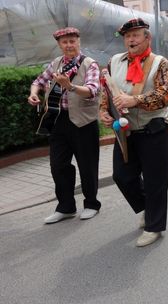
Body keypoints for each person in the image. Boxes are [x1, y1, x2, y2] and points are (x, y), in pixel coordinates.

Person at [99, 18, 168, 247]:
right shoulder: (114, 61)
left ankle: (154, 226)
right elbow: (107, 91)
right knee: (122, 176)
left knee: (155, 182)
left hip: (154, 129)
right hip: (125, 131)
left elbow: (165, 95)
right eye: (127, 36)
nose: (130, 40)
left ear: (147, 38)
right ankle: (149, 208)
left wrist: (135, 100)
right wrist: (104, 111)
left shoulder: (160, 63)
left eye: (135, 35)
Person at [27, 27, 102, 224]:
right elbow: (39, 81)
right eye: (64, 42)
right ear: (59, 45)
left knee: (87, 165)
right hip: (59, 120)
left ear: (79, 41)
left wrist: (69, 86)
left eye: (72, 41)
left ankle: (92, 204)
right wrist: (34, 93)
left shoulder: (89, 64)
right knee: (58, 165)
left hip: (84, 122)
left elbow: (92, 91)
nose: (69, 45)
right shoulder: (55, 64)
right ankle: (66, 207)